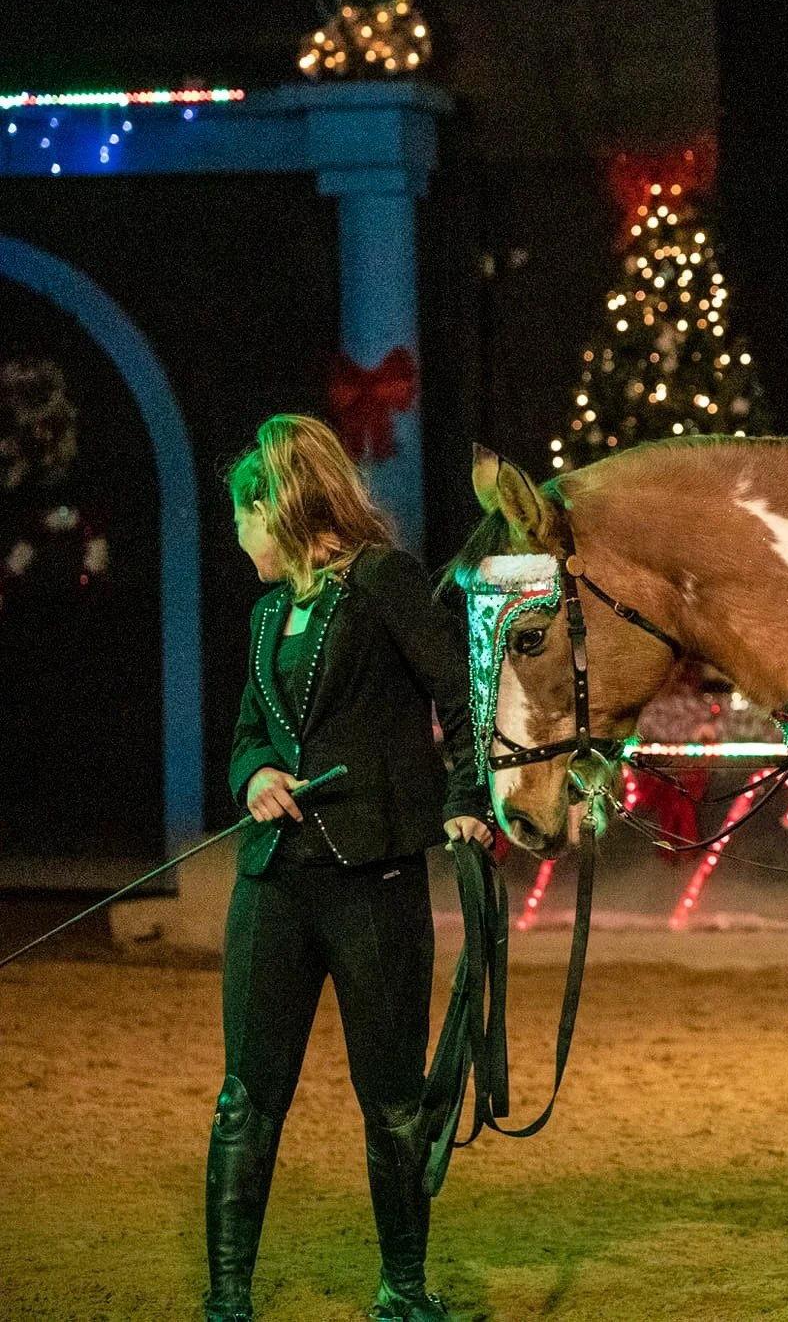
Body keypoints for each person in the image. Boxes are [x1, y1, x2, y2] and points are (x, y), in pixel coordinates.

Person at [209, 415, 490, 1322]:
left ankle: (403, 1290)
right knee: (246, 1099)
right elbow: (252, 730)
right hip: (275, 882)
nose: (238, 537)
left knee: (395, 1103)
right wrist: (255, 774)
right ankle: (227, 1299)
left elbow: (461, 691)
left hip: (375, 880)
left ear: (276, 506)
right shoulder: (264, 615)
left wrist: (467, 802)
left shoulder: (384, 583)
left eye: (242, 517)